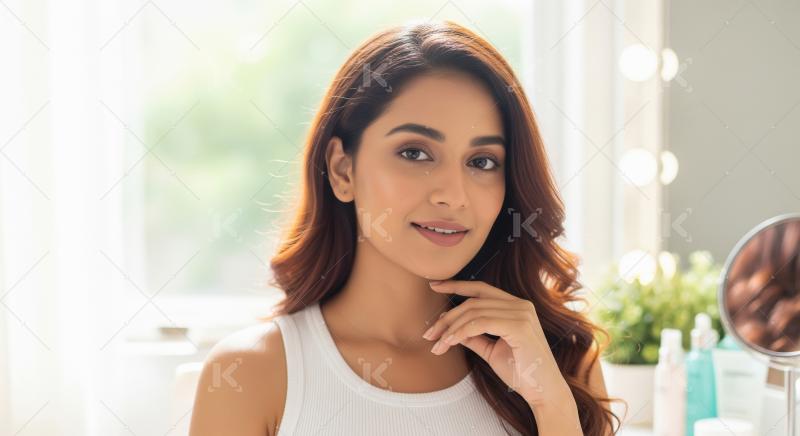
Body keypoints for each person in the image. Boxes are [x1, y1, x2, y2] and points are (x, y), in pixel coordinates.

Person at [190, 20, 619, 436]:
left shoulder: (559, 361)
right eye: (415, 153)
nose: (453, 194)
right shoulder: (250, 374)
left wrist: (551, 405)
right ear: (342, 169)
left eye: (482, 161)